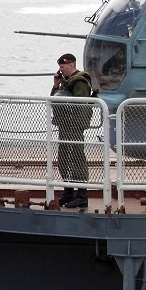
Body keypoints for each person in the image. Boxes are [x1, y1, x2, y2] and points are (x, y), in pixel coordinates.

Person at [50, 53, 93, 208]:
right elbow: (53, 100)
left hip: (74, 126)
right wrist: (56, 85)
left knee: (76, 159)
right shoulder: (66, 82)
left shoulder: (79, 82)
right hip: (64, 125)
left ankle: (82, 196)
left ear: (71, 65)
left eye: (62, 67)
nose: (60, 70)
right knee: (64, 159)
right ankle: (67, 193)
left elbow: (80, 106)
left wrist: (73, 121)